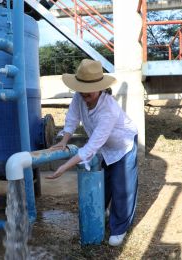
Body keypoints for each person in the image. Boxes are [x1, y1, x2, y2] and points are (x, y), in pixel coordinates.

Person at [45, 59, 138, 247]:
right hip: (105, 146)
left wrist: (64, 167)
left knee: (122, 187)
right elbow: (72, 118)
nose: (84, 96)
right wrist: (63, 141)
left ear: (100, 88)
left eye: (89, 92)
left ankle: (119, 228)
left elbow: (90, 147)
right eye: (82, 91)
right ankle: (102, 211)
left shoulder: (108, 109)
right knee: (104, 182)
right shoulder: (80, 96)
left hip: (123, 144)